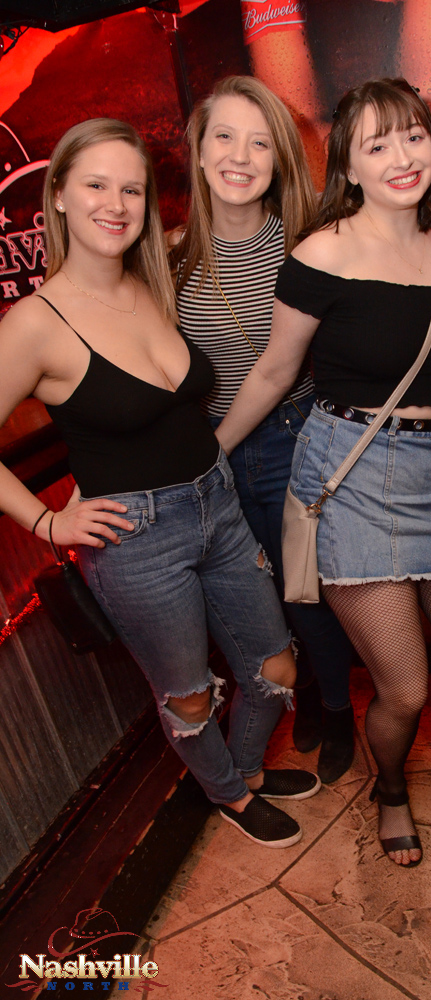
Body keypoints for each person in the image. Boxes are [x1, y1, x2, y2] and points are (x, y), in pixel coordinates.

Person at [0, 118, 322, 850]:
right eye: (96, 185)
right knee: (189, 698)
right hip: (137, 541)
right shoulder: (34, 323)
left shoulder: (152, 283)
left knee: (275, 664)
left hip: (219, 502)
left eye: (133, 189)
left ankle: (245, 771)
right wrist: (48, 524)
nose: (116, 204)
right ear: (58, 196)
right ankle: (230, 794)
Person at [217, 78, 431, 867]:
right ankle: (390, 789)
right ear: (348, 167)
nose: (402, 156)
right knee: (405, 691)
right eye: (377, 144)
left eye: (413, 136)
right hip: (351, 482)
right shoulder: (323, 254)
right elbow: (275, 370)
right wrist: (210, 453)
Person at [170, 77, 356, 785]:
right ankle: (302, 694)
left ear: (278, 159)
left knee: (308, 595)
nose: (239, 157)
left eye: (259, 143)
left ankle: (335, 708)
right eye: (224, 136)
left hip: (292, 438)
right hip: (212, 448)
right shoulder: (170, 256)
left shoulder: (304, 247)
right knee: (260, 598)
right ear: (198, 149)